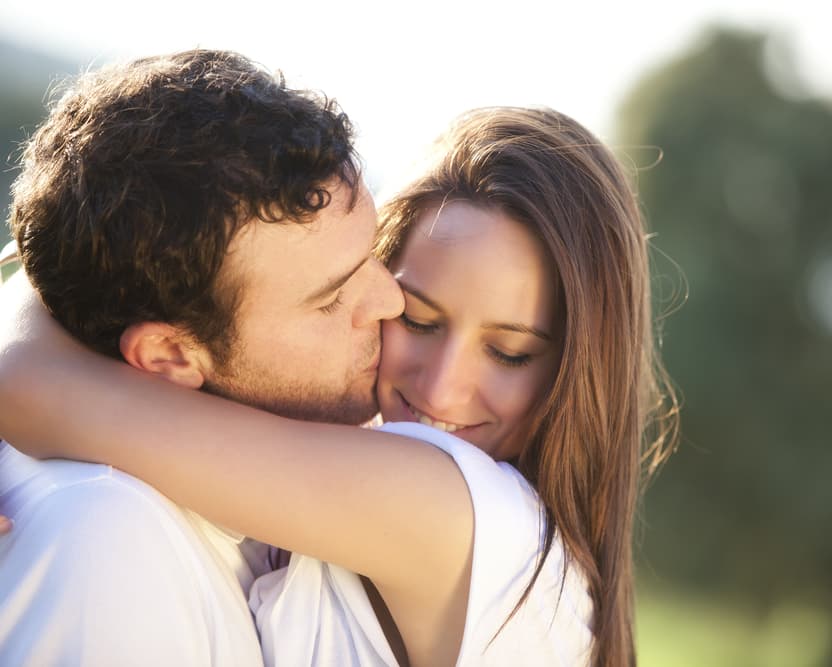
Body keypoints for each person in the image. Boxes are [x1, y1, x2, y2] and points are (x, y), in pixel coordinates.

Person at [0, 107, 679, 665]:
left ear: (581, 370)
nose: (442, 390)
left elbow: (33, 387)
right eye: (417, 317)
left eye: (507, 353)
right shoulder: (324, 468)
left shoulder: (482, 526)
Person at [0, 48, 403, 666]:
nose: (392, 300)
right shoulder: (106, 543)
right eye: (330, 299)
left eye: (373, 254)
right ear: (167, 355)